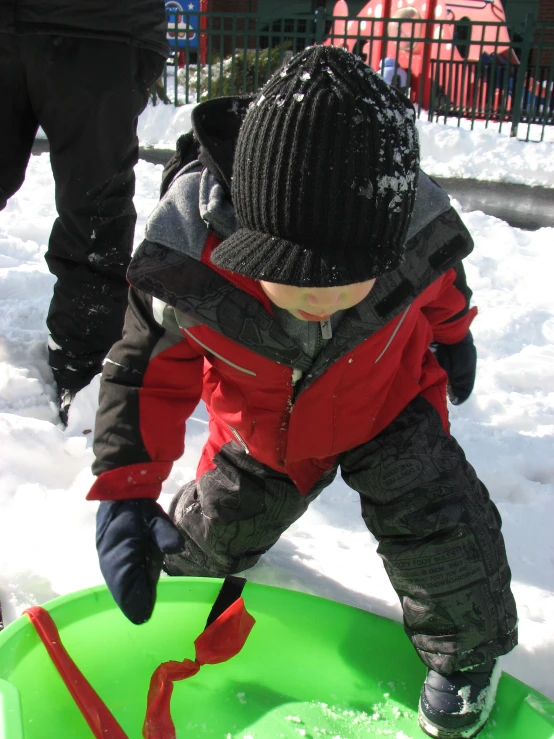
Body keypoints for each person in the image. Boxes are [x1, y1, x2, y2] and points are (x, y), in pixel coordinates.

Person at [89, 46, 517, 739]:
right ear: (249, 240)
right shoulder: (191, 266)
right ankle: (180, 587)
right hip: (263, 434)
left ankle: (470, 653)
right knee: (201, 542)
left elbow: (443, 282)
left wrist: (456, 335)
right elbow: (143, 368)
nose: (322, 300)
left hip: (386, 407)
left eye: (347, 283)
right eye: (295, 279)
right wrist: (127, 484)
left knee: (440, 519)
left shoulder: (405, 232)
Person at [0, 0, 169, 423]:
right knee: (95, 203)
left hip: (99, 24)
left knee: (94, 204)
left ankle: (85, 361)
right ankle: (85, 358)